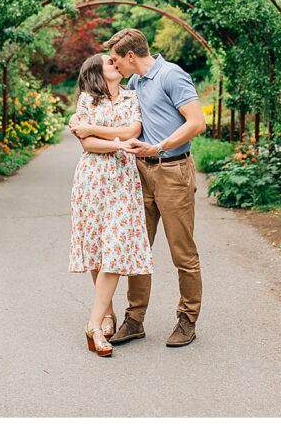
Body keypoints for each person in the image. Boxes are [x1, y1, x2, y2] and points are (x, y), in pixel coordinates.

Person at [104, 28, 207, 347]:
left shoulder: (171, 75)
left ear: (131, 56)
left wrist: (158, 146)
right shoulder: (135, 82)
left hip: (173, 170)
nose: (115, 64)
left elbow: (197, 123)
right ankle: (134, 320)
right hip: (140, 173)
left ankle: (187, 319)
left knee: (182, 251)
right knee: (137, 249)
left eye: (117, 59)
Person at [67, 53, 154, 357]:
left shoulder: (131, 96)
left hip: (123, 182)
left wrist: (93, 129)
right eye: (108, 62)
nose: (115, 63)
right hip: (91, 180)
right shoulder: (86, 100)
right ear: (95, 72)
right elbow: (87, 144)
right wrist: (116, 143)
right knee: (97, 249)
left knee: (115, 250)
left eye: (116, 61)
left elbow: (134, 132)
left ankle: (92, 325)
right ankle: (106, 313)